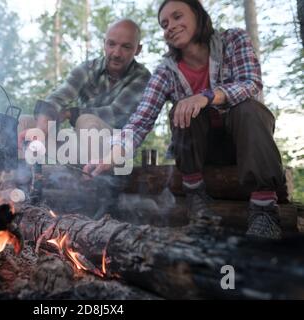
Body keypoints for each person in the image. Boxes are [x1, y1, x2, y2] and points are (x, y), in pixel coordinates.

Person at [84, 0, 285, 239]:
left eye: (178, 17)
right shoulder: (166, 71)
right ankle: (196, 197)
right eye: (165, 23)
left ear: (198, 15)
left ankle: (263, 211)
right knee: (182, 109)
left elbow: (250, 83)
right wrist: (110, 157)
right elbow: (140, 121)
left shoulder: (233, 41)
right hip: (201, 153)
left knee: (249, 108)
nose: (170, 26)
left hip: (245, 145)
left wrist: (207, 96)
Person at [18, 18, 151, 159]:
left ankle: (92, 177)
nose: (117, 53)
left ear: (138, 49)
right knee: (23, 122)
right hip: (79, 145)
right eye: (111, 44)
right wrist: (42, 126)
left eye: (126, 47)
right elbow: (58, 96)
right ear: (104, 44)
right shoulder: (87, 69)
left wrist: (70, 113)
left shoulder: (143, 78)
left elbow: (115, 114)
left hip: (115, 151)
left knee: (86, 121)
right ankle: (24, 176)